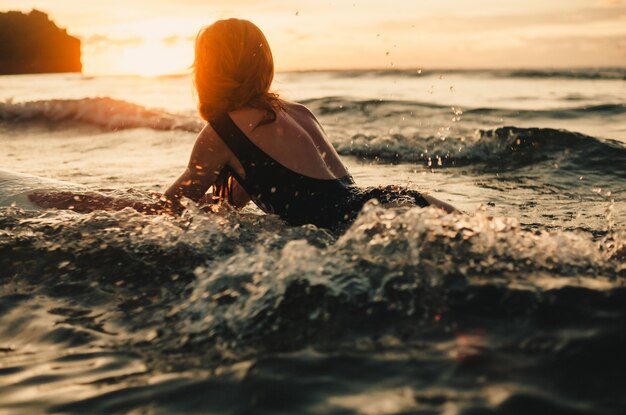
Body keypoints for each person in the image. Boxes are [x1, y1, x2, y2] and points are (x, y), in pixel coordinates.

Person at [29, 18, 456, 230]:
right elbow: (245, 200)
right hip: (393, 203)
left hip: (362, 228)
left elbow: (169, 210)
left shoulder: (222, 133)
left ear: (207, 72)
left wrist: (75, 202)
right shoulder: (298, 112)